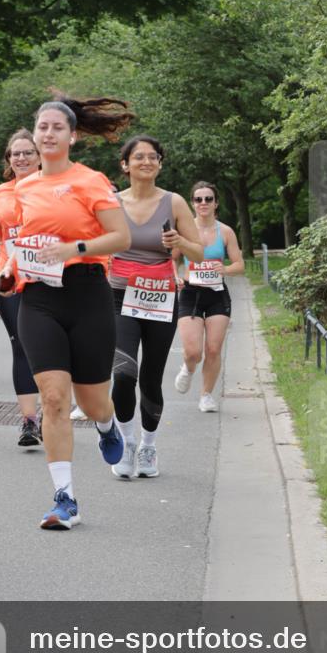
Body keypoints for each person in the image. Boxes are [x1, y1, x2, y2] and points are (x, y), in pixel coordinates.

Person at [0, 93, 133, 530]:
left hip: (87, 292)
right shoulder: (21, 189)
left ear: (72, 136)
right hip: (38, 298)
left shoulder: (91, 180)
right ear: (34, 136)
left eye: (57, 127)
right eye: (42, 127)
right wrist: (6, 271)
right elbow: (15, 246)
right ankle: (65, 499)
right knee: (54, 399)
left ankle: (108, 425)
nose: (49, 134)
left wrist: (73, 248)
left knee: (93, 401)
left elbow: (121, 237)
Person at [109, 136, 203, 479]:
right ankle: (127, 442)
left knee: (150, 377)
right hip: (119, 296)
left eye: (153, 157)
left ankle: (149, 445)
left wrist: (179, 242)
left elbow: (199, 253)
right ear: (125, 164)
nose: (146, 162)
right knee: (122, 374)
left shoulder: (174, 202)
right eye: (138, 157)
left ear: (160, 164)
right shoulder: (111, 202)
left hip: (160, 297)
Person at [0, 129, 43, 447]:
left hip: (48, 276)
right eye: (15, 154)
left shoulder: (55, 187)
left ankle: (55, 406)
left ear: (40, 156)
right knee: (21, 344)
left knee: (50, 347)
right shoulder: (2, 191)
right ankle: (30, 421)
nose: (20, 158)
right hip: (10, 277)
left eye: (27, 152)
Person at [174, 180, 244, 412]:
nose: (203, 203)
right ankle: (188, 367)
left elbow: (239, 264)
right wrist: (175, 276)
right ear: (192, 203)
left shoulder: (225, 232)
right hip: (190, 292)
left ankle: (206, 395)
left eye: (208, 199)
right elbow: (172, 259)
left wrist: (225, 269)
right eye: (198, 199)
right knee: (193, 351)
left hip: (217, 294)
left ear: (216, 204)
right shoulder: (184, 230)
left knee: (213, 349)